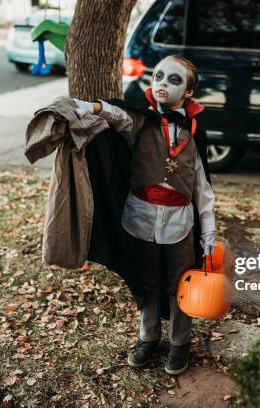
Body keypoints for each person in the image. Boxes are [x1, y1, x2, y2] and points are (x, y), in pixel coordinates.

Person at [71, 55, 216, 375]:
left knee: (181, 284)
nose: (162, 83)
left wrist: (209, 233)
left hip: (180, 222)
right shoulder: (141, 121)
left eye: (174, 80)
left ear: (189, 92)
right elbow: (116, 113)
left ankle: (180, 343)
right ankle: (147, 337)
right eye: (159, 76)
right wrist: (90, 107)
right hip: (140, 217)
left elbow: (203, 190)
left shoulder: (195, 134)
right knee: (145, 282)